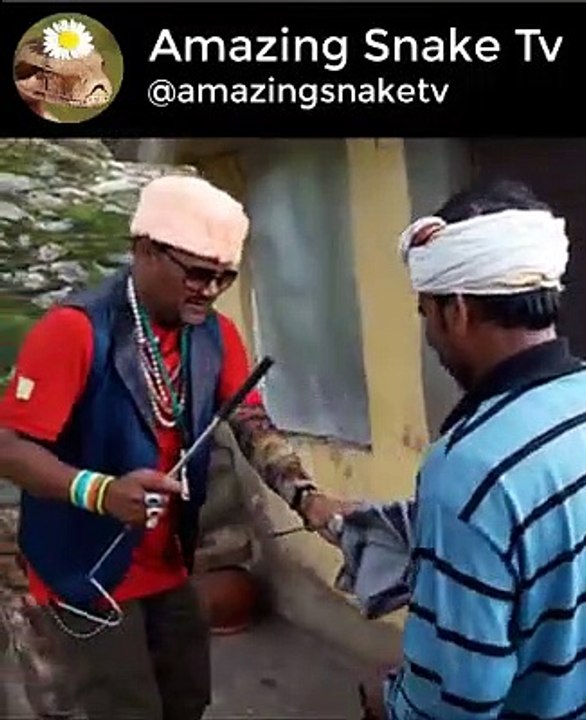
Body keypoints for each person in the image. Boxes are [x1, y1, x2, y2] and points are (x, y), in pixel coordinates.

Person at [361, 179, 586, 719]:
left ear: (456, 311)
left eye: (425, 312)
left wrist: (387, 702)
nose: (429, 333)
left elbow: (455, 702)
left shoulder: (465, 469)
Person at [0, 174, 348, 720]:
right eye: (197, 273)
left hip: (167, 563)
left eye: (224, 278)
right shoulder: (73, 330)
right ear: (145, 250)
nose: (210, 290)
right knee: (124, 708)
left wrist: (307, 497)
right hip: (85, 568)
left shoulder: (214, 334)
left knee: (187, 699)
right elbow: (9, 447)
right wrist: (99, 491)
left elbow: (250, 422)